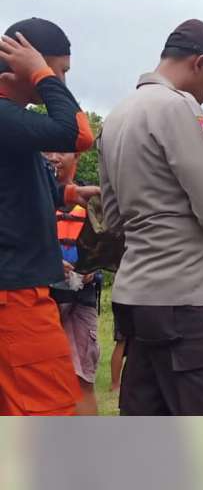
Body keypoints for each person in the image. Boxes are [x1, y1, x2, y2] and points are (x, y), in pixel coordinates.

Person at [98, 19, 203, 415]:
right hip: (186, 300)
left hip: (136, 297)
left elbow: (114, 217)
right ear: (199, 63)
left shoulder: (115, 116)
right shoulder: (177, 105)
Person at [0, 18, 97, 416]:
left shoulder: (13, 122)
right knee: (48, 411)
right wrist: (41, 72)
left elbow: (15, 189)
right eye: (61, 70)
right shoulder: (5, 116)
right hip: (15, 297)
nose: (60, 81)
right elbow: (79, 135)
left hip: (17, 286)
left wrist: (72, 193)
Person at [44, 150, 104, 414]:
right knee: (42, 377)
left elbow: (109, 249)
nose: (53, 157)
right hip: (40, 301)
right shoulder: (31, 199)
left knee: (81, 378)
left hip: (81, 300)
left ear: (77, 158)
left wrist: (93, 270)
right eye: (47, 150)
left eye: (61, 151)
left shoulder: (90, 202)